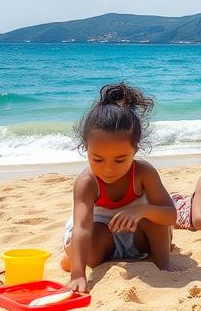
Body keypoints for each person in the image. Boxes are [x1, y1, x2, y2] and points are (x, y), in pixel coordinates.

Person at [63, 83, 178, 293]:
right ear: (85, 149)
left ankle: (164, 266)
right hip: (99, 233)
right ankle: (72, 256)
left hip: (137, 233)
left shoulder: (144, 173)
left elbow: (171, 216)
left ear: (135, 150)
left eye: (119, 159)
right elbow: (82, 227)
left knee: (157, 221)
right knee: (90, 250)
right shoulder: (86, 182)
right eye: (97, 159)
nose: (108, 169)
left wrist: (141, 210)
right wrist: (78, 275)